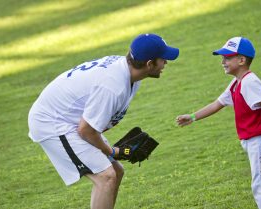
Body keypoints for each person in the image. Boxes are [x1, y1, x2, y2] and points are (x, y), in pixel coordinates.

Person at [28, 33, 179, 209]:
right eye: (163, 59)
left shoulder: (127, 73)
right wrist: (112, 151)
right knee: (106, 177)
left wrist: (108, 151)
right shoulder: (113, 86)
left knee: (116, 171)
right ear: (149, 64)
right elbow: (86, 130)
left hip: (69, 118)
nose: (166, 63)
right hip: (52, 122)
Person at [176, 37, 261, 209]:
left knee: (260, 184)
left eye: (227, 57)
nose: (223, 61)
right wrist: (192, 117)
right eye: (222, 58)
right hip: (251, 140)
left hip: (259, 140)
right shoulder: (236, 82)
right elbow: (218, 104)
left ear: (242, 60)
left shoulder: (249, 81)